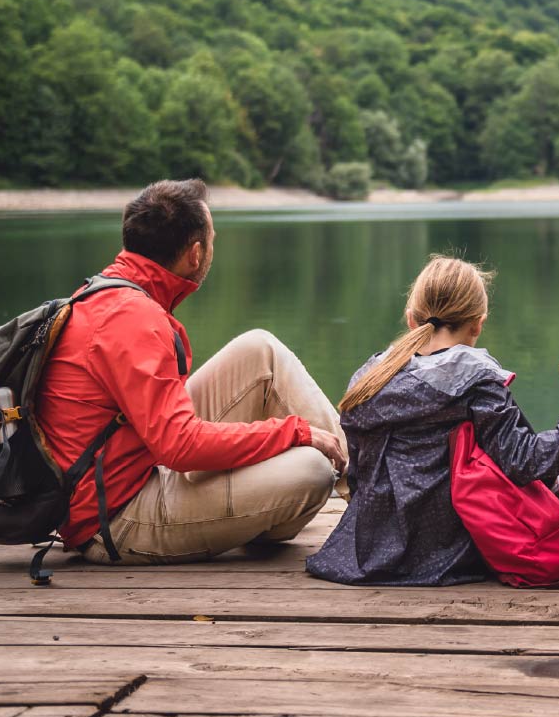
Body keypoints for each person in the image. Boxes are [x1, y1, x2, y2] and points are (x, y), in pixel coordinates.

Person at [37, 178, 347, 564]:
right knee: (312, 470)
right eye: (214, 238)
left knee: (260, 350)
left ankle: (367, 492)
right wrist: (293, 432)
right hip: (115, 518)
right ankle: (371, 498)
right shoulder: (134, 319)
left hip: (136, 463)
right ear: (196, 253)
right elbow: (180, 447)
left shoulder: (108, 293)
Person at [307, 255, 559, 586]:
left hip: (365, 549)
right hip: (444, 553)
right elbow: (525, 461)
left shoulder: (370, 376)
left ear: (411, 318)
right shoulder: (475, 380)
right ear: (478, 324)